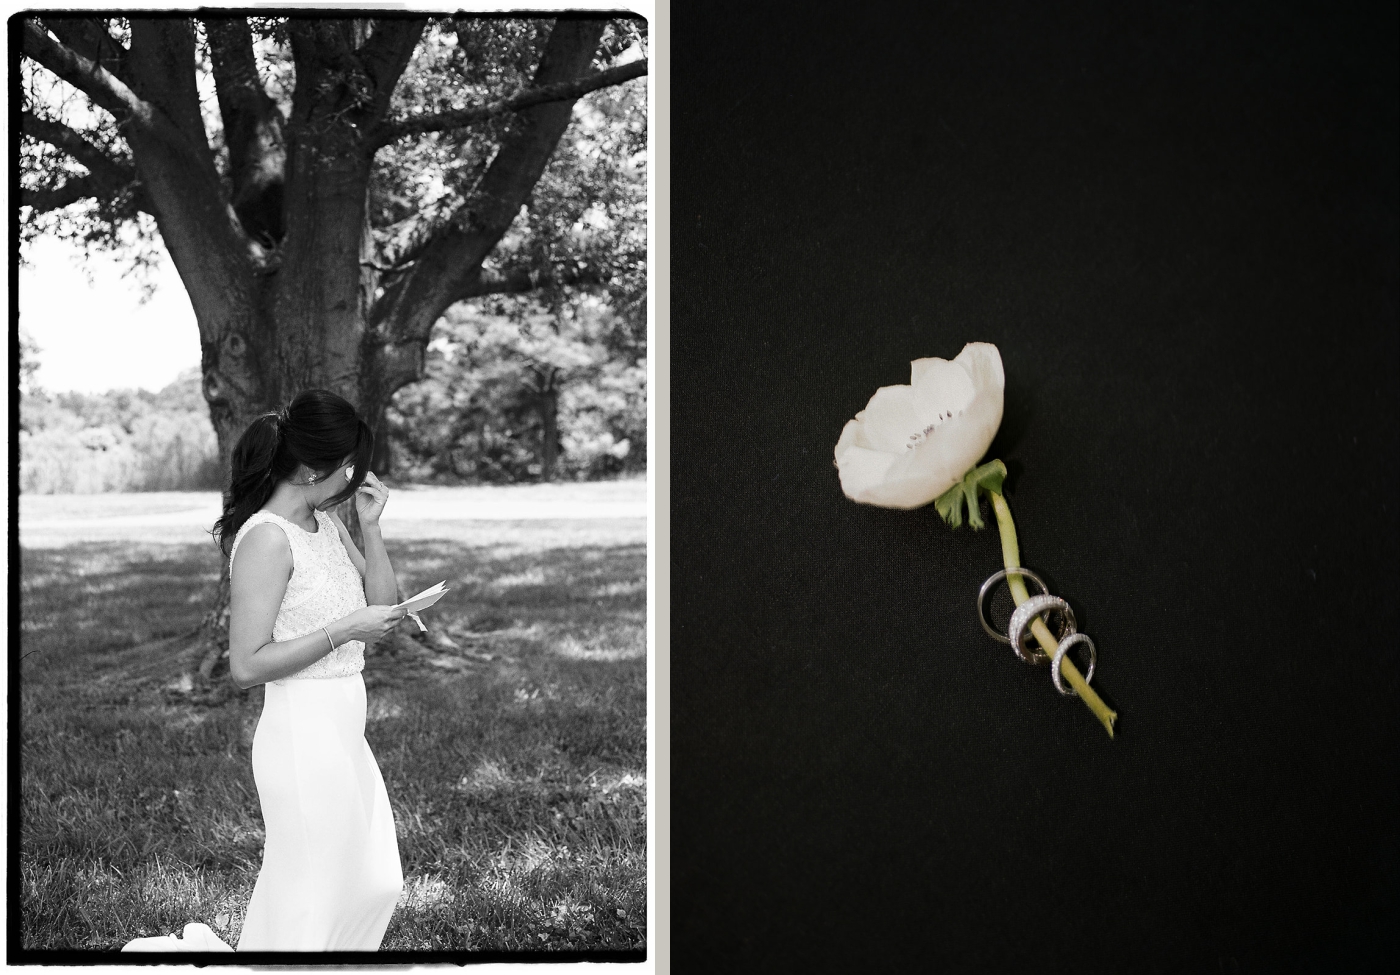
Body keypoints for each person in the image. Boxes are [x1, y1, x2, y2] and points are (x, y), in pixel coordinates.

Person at [123, 389, 407, 952]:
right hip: (301, 733)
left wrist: (372, 529)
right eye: (348, 463)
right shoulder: (264, 539)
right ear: (308, 468)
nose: (355, 475)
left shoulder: (330, 525)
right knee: (313, 897)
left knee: (374, 882)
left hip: (346, 728)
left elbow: (386, 607)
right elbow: (246, 666)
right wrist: (344, 630)